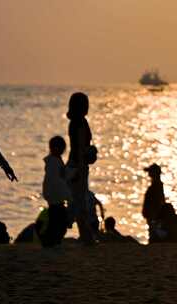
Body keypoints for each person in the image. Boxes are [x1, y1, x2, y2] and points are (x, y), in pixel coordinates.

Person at [66, 92, 95, 244]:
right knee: (79, 202)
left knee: (77, 201)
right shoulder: (80, 123)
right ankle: (86, 236)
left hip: (74, 163)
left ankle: (85, 235)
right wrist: (81, 168)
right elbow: (80, 148)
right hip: (79, 165)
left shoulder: (74, 122)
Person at [41, 136, 71, 247]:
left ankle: (51, 240)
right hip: (55, 195)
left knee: (56, 219)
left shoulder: (54, 160)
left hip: (52, 194)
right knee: (58, 220)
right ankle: (51, 241)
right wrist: (67, 195)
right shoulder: (54, 161)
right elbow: (58, 180)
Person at [142, 163, 167, 242]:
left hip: (154, 215)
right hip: (153, 215)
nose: (149, 174)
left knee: (155, 233)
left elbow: (159, 201)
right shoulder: (156, 185)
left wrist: (155, 215)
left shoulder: (156, 186)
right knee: (154, 232)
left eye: (150, 172)